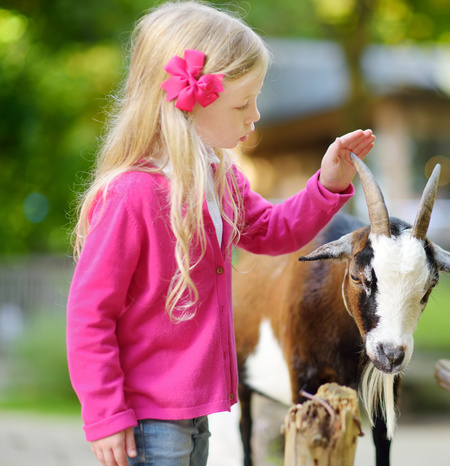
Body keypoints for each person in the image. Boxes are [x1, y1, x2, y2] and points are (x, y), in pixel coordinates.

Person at [65, 2, 375, 466]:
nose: (255, 115)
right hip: (148, 422)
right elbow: (89, 314)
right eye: (242, 103)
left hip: (195, 414)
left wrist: (327, 183)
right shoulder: (131, 194)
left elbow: (274, 230)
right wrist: (106, 414)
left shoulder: (220, 180)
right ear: (192, 101)